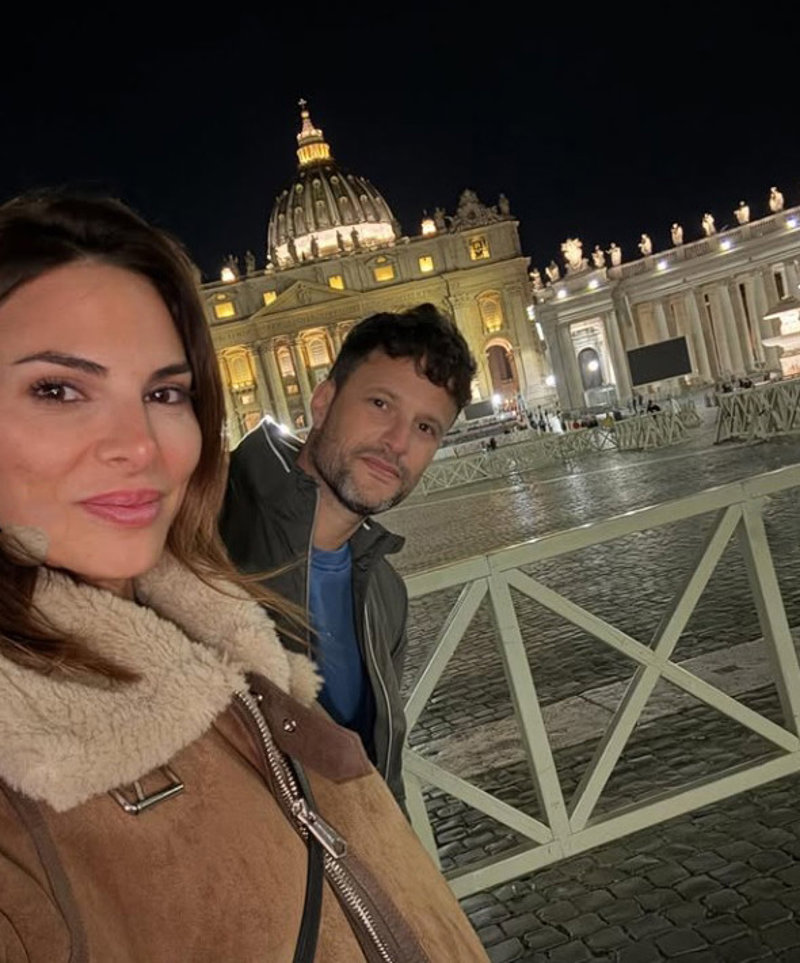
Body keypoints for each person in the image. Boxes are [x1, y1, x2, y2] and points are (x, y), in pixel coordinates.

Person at [0, 192, 488, 962]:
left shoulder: (370, 590)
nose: (134, 442)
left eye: (165, 392)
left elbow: (366, 781)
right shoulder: (215, 540)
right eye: (57, 389)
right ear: (323, 398)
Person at [221, 305, 476, 805]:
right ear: (323, 401)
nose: (398, 443)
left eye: (426, 428)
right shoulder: (206, 521)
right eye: (380, 404)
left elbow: (378, 776)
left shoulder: (386, 594)